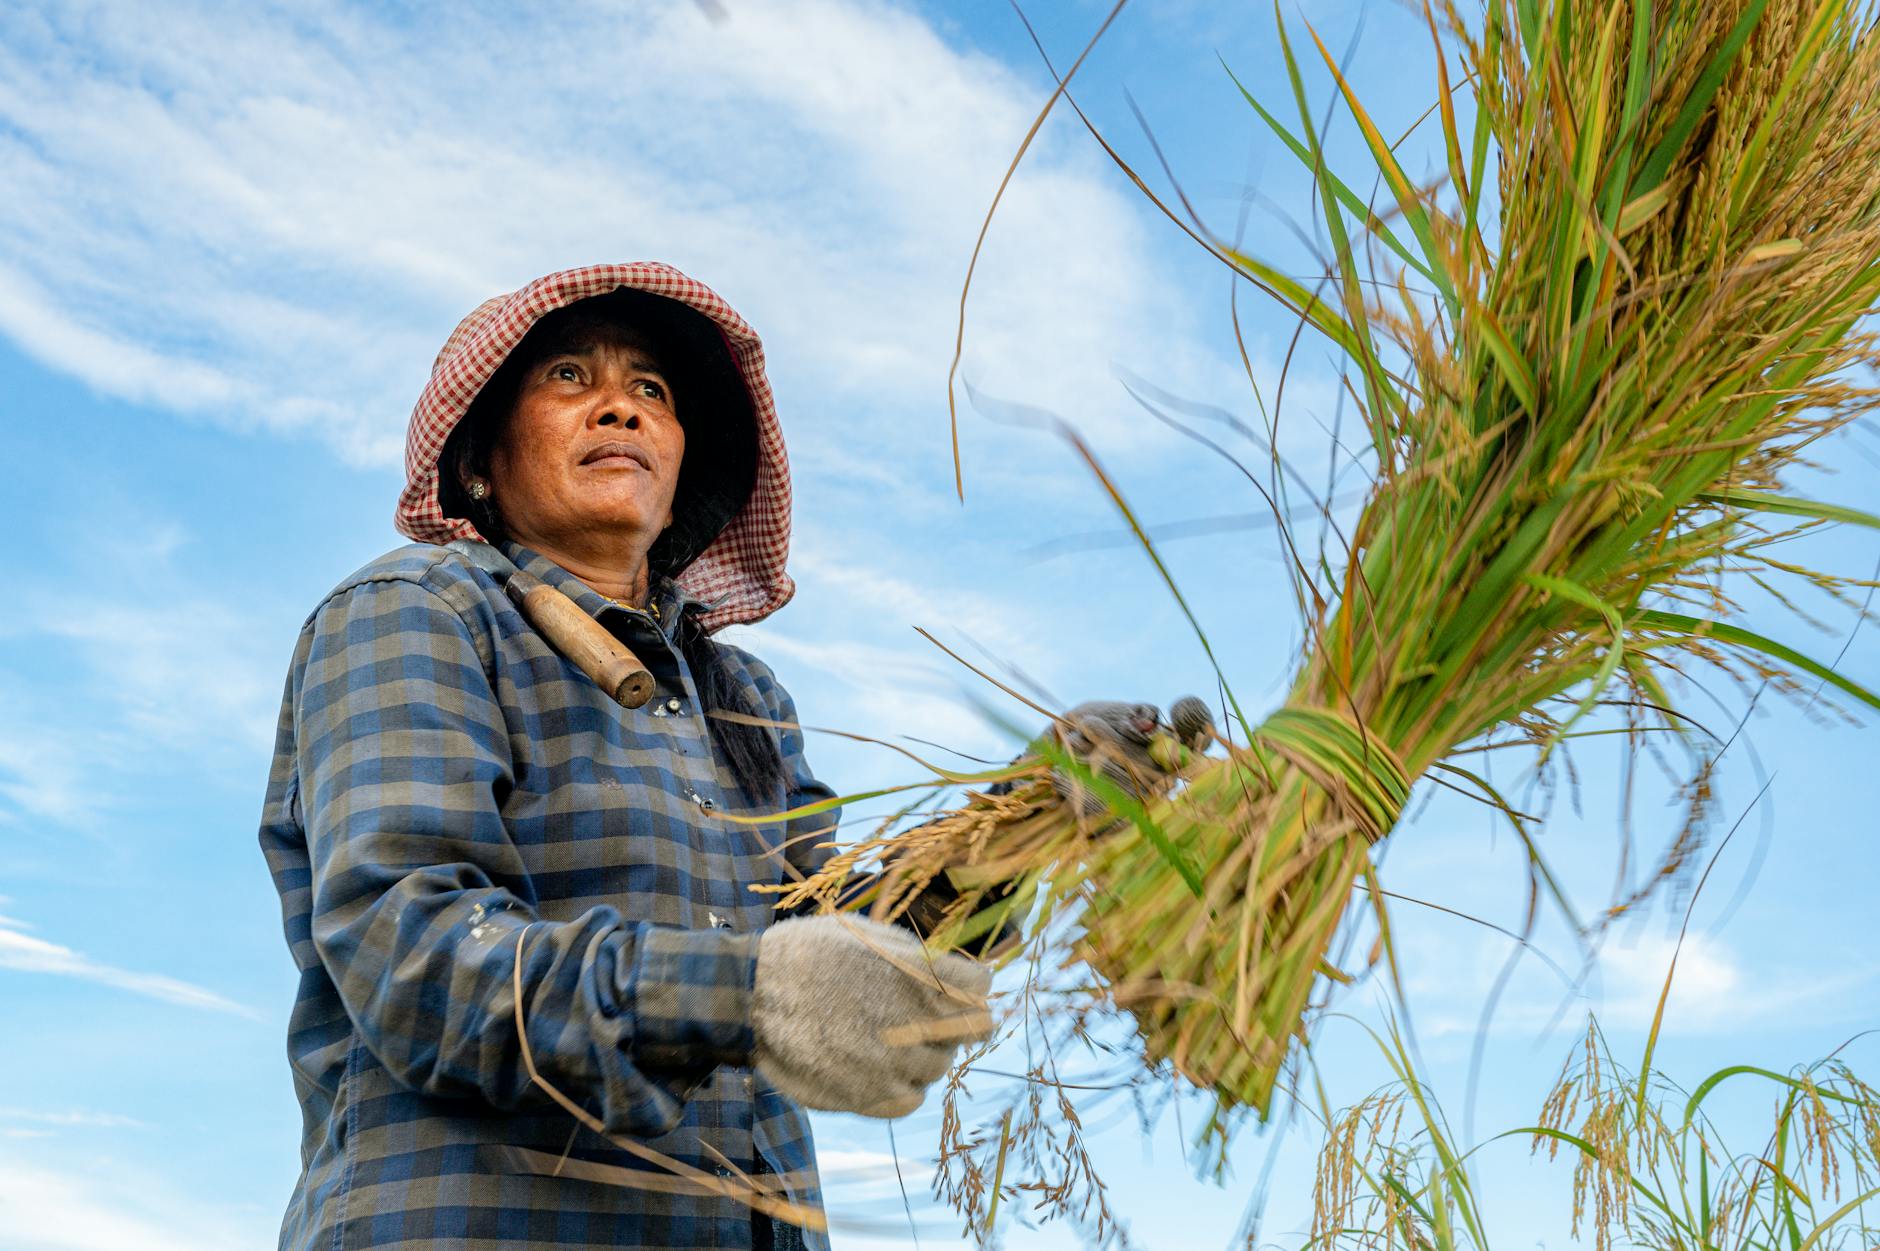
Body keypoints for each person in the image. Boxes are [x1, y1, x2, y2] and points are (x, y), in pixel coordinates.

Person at [258, 263, 1172, 1250]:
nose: (619, 406)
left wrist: (1029, 820)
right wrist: (744, 996)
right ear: (480, 460)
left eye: (650, 391)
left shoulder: (745, 702)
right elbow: (415, 956)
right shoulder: (417, 612)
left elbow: (840, 945)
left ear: (682, 464)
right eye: (568, 379)